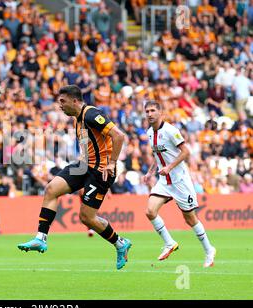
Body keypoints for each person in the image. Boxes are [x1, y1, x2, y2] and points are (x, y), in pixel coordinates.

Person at [17, 85, 132, 270]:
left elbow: (119, 136)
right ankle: (40, 238)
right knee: (51, 189)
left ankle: (120, 243)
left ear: (75, 101)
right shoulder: (77, 119)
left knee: (87, 217)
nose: (59, 105)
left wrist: (111, 163)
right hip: (84, 166)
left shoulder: (91, 115)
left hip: (100, 171)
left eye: (63, 101)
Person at [143, 101, 216, 268]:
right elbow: (157, 155)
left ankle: (209, 249)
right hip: (164, 181)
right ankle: (169, 243)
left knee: (190, 219)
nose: (149, 114)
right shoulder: (149, 133)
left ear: (160, 112)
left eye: (153, 110)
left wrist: (169, 167)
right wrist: (150, 171)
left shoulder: (170, 130)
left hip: (180, 181)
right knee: (150, 211)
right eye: (147, 111)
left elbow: (186, 152)